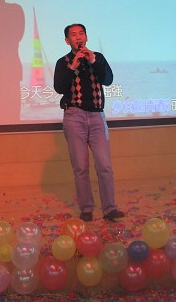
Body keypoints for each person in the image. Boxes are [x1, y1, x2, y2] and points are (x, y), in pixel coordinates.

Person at [53, 23, 125, 222]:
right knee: (81, 167)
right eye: (73, 35)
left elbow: (108, 80)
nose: (78, 37)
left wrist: (93, 60)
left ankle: (110, 209)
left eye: (81, 33)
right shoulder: (63, 62)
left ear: (86, 37)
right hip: (74, 117)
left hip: (97, 117)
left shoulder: (97, 58)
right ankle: (86, 208)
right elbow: (59, 87)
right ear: (67, 41)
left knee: (104, 165)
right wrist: (73, 66)